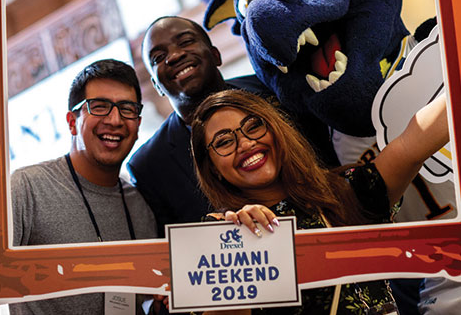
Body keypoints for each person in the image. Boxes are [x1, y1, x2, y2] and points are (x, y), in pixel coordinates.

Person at [189, 89, 449, 315]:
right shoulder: (220, 231)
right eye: (224, 141)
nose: (245, 143)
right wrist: (237, 251)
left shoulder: (342, 193)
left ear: (276, 130)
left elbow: (411, 144)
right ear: (212, 169)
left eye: (254, 126)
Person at [128, 16, 336, 237]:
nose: (175, 55)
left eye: (186, 42)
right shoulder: (148, 165)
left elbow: (326, 154)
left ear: (216, 55)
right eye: (159, 57)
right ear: (155, 85)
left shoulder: (273, 89)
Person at [8, 59, 157, 315]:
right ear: (72, 122)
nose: (114, 120)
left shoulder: (140, 206)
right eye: (99, 106)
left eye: (127, 109)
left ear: (137, 124)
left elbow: (147, 303)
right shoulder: (27, 188)